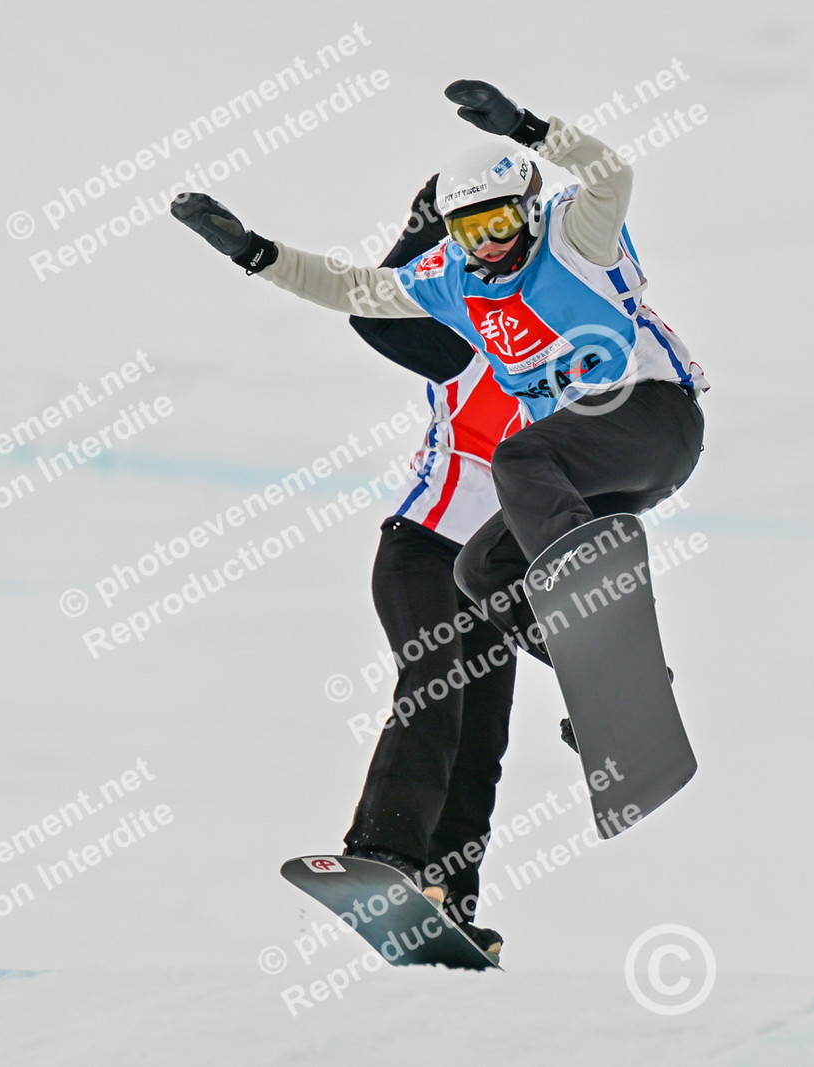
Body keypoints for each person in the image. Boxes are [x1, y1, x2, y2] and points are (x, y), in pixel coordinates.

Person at [170, 78, 707, 670]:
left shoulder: (574, 234)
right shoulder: (452, 276)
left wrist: (528, 129)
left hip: (653, 417)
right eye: (469, 234)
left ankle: (592, 603)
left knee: (518, 457)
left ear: (528, 209)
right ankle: (613, 672)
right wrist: (256, 253)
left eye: (498, 225)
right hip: (595, 473)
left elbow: (612, 176)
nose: (487, 246)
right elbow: (356, 289)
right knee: (484, 570)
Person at [333, 177, 524, 959]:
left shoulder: (581, 389)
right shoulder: (469, 346)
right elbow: (371, 308)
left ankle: (448, 900)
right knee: (436, 685)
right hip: (424, 550)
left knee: (481, 741)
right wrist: (425, 217)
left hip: (496, 578)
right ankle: (386, 851)